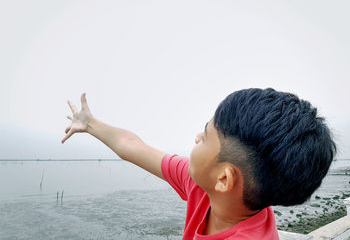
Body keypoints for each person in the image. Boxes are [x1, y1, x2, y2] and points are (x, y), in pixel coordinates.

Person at [62, 88, 336, 240]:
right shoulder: (207, 188)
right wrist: (91, 124)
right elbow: (132, 147)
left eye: (205, 136)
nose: (196, 137)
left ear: (224, 179)